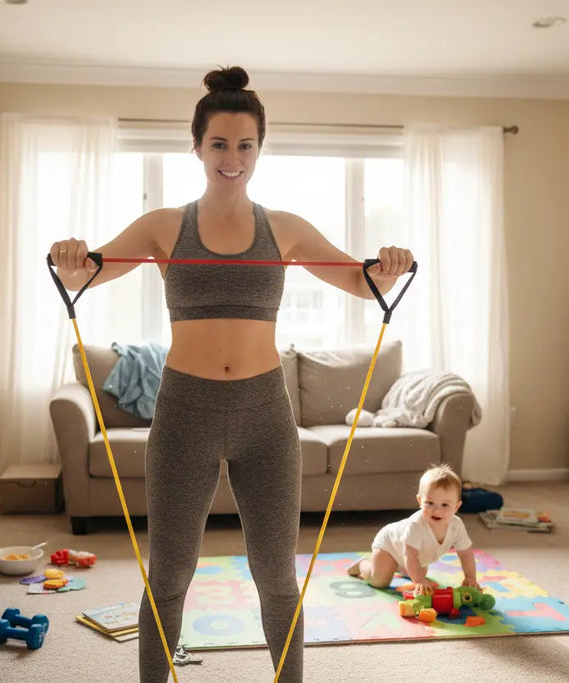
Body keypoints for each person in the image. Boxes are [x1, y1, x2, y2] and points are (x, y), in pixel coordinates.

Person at [49, 65, 414, 683]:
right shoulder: (165, 226)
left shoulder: (287, 228)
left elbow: (360, 279)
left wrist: (388, 267)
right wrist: (69, 259)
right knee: (169, 573)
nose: (232, 157)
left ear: (259, 150)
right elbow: (86, 274)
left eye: (245, 145)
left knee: (276, 573)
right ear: (197, 147)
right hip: (184, 410)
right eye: (219, 143)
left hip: (265, 415)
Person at [346, 463, 480, 595]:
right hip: (389, 546)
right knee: (380, 582)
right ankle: (363, 565)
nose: (437, 510)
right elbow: (410, 555)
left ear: (456, 507)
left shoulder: (457, 526)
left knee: (419, 571)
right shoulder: (416, 525)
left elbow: (466, 553)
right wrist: (419, 580)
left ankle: (399, 567)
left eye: (445, 505)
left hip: (413, 556)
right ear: (420, 501)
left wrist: (470, 578)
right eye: (430, 503)